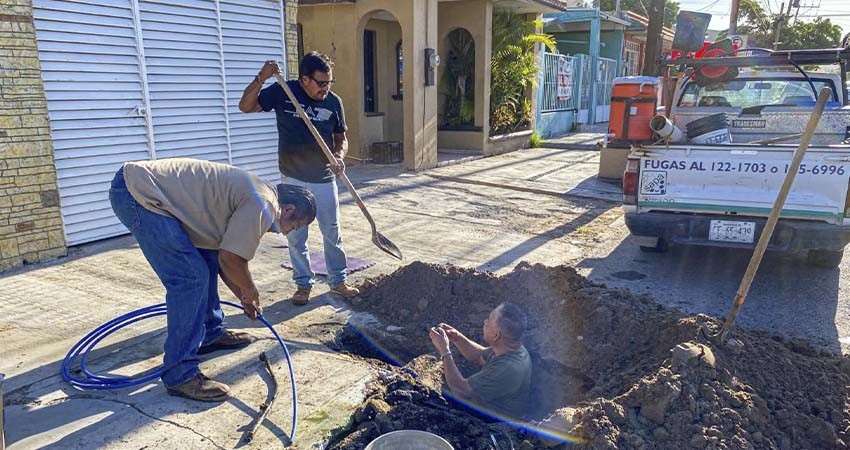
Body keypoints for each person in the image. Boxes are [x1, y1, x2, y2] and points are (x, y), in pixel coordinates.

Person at [109, 158, 317, 402]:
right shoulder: (265, 205)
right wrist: (251, 292)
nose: (290, 232)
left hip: (144, 187)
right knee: (190, 279)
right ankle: (180, 374)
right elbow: (232, 259)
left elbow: (221, 259)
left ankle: (210, 333)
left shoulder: (259, 195)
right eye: (297, 225)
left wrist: (242, 295)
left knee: (205, 261)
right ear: (289, 210)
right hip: (140, 194)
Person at [238, 51, 359, 306]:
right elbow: (246, 106)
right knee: (296, 236)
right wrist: (261, 78)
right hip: (292, 180)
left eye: (329, 83)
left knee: (332, 232)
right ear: (305, 79)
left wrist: (339, 156)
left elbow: (341, 138)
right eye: (321, 83)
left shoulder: (333, 102)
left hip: (324, 179)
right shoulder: (284, 92)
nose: (326, 88)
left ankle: (338, 281)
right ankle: (303, 284)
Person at [429, 303, 533, 418]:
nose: (485, 321)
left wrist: (444, 351)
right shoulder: (509, 347)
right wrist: (457, 338)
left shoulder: (508, 368)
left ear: (496, 335)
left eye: (489, 320)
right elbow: (479, 356)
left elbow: (461, 392)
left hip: (495, 421)